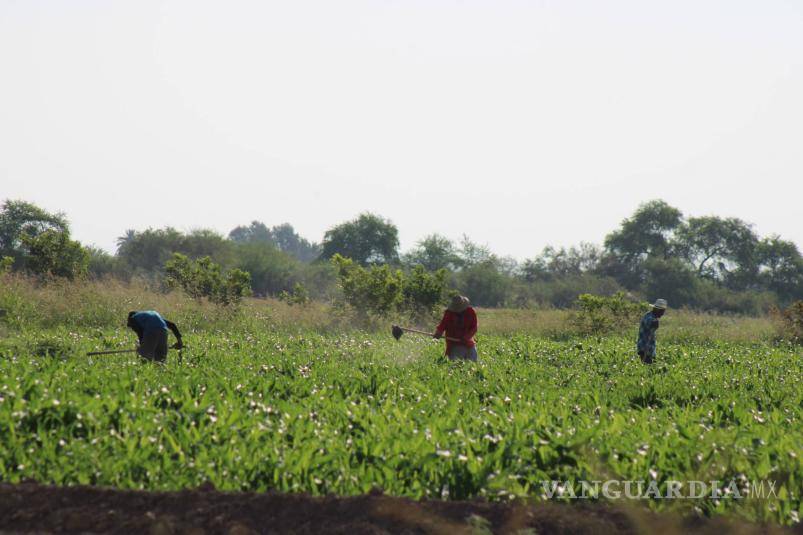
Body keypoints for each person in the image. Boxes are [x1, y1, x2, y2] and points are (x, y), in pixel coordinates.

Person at [434, 295, 478, 361]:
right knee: (455, 366)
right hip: (454, 345)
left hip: (469, 344)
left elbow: (474, 327)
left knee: (471, 365)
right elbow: (442, 325)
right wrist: (438, 333)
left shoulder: (470, 312)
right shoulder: (449, 313)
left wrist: (466, 337)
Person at [637, 299, 667, 364]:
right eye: (662, 312)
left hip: (649, 350)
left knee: (652, 369)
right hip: (645, 349)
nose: (662, 314)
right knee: (648, 369)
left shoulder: (651, 316)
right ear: (658, 310)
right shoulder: (650, 318)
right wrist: (653, 324)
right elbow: (649, 324)